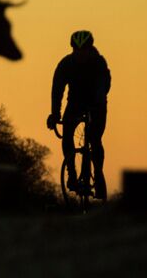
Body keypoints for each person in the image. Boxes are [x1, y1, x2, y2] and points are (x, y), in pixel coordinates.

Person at [47, 30, 111, 199]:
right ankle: (71, 173)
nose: (81, 54)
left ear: (90, 49)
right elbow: (57, 90)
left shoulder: (98, 62)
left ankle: (97, 173)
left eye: (84, 50)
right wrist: (55, 114)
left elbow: (104, 85)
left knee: (95, 138)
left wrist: (97, 103)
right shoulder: (65, 64)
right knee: (67, 132)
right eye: (77, 50)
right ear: (73, 50)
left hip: (96, 102)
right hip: (75, 102)